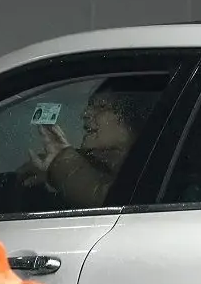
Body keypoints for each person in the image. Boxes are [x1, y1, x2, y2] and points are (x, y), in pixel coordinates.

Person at [17, 76, 161, 209]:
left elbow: (119, 202)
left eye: (101, 107)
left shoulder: (155, 171)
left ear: (134, 118)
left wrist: (61, 163)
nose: (85, 114)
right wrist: (54, 171)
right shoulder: (91, 165)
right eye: (90, 106)